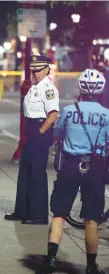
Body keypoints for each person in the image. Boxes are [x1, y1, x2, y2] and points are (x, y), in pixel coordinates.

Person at [39, 69, 107, 274]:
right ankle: (91, 266)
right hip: (95, 168)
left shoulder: (69, 111)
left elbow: (58, 135)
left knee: (59, 215)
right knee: (92, 219)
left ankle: (50, 260)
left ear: (81, 88)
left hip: (70, 166)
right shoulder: (106, 115)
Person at [5, 55, 59, 225]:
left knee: (37, 174)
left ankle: (38, 215)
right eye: (33, 70)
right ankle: (22, 211)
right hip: (31, 131)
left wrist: (40, 132)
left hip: (39, 131)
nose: (35, 73)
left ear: (47, 70)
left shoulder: (48, 89)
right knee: (25, 173)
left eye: (39, 70)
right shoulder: (34, 87)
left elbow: (53, 116)